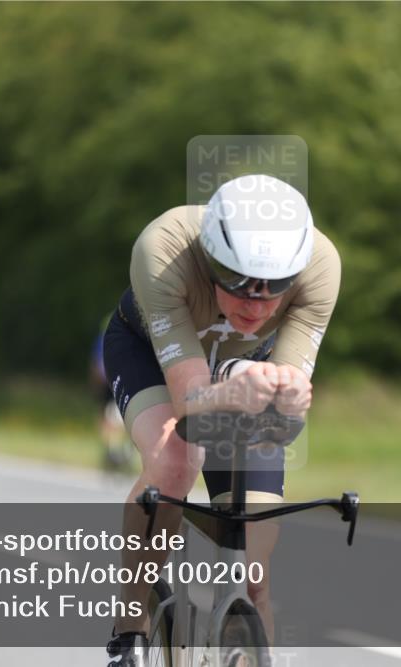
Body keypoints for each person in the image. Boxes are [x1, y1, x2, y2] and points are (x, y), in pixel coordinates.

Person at [102, 174, 341, 665]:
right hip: (151, 356)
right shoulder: (163, 249)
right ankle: (130, 629)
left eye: (275, 290)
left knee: (254, 555)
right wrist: (232, 386)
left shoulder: (321, 266)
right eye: (240, 286)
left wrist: (290, 396)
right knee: (175, 463)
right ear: (210, 263)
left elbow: (285, 408)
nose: (257, 305)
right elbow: (190, 404)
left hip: (246, 372)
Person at [90, 315, 132, 470]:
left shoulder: (110, 320)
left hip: (108, 374)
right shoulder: (128, 317)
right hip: (119, 375)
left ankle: (113, 450)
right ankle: (117, 451)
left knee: (110, 415)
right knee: (117, 415)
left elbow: (96, 359)